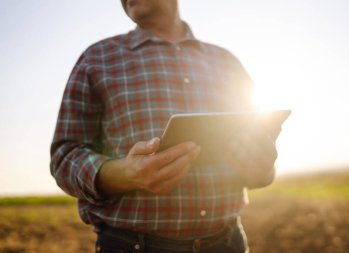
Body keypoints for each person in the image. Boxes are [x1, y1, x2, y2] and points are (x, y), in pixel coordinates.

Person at [50, 1, 279, 252]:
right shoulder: (97, 58)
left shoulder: (226, 62)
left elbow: (261, 170)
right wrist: (124, 174)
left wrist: (262, 168)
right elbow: (64, 157)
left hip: (228, 242)